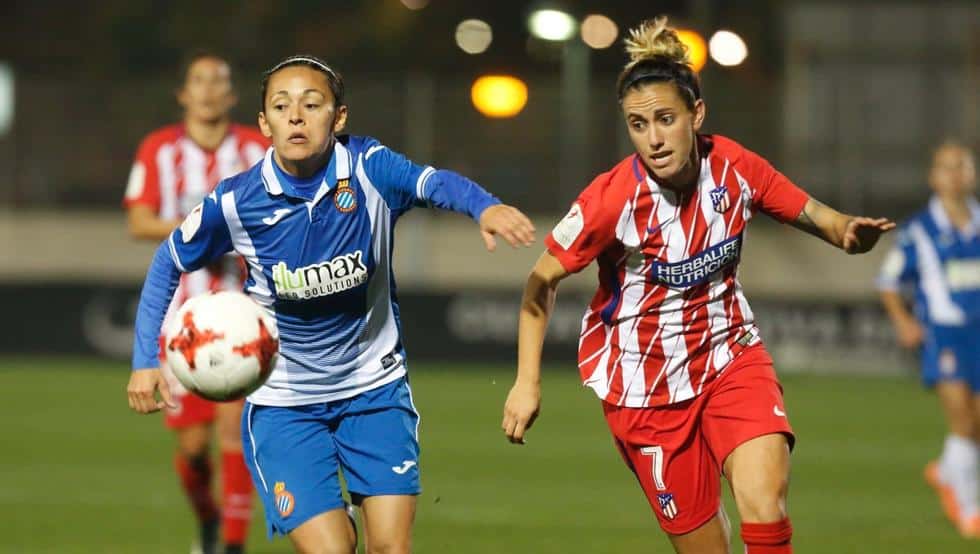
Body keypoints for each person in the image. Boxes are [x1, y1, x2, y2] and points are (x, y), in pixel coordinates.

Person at [501, 17, 895, 554]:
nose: (654, 138)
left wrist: (847, 232)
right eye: (638, 124)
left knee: (765, 501)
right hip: (645, 389)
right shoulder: (611, 199)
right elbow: (541, 280)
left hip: (730, 355)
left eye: (666, 119)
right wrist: (527, 382)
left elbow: (816, 215)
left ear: (697, 114)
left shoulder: (733, 166)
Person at [126, 54, 536, 554]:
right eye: (281, 106)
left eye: (312, 104)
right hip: (284, 404)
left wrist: (484, 206)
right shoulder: (237, 201)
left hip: (373, 391)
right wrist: (144, 361)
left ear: (338, 117)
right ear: (265, 123)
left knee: (391, 547)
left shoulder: (369, 168)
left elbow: (434, 183)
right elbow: (168, 261)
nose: (296, 116)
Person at [123, 51, 269, 554]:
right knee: (192, 449)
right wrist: (205, 228)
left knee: (235, 429)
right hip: (180, 318)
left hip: (244, 314)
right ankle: (208, 517)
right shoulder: (159, 149)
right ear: (184, 94)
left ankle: (232, 545)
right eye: (199, 81)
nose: (208, 90)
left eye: (218, 82)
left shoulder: (256, 149)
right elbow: (139, 221)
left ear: (232, 95)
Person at [878, 141, 980, 538]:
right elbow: (888, 281)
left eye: (962, 166)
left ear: (972, 173)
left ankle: (948, 469)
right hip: (944, 333)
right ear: (933, 177)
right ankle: (969, 510)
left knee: (975, 424)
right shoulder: (920, 230)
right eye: (947, 167)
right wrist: (903, 320)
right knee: (962, 420)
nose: (955, 175)